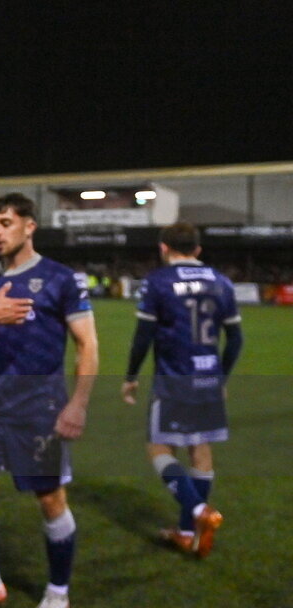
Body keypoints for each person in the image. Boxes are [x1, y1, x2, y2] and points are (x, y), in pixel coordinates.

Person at [0, 193, 99, 608]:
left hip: (41, 409)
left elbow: (87, 345)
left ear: (30, 226)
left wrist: (78, 404)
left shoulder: (60, 279)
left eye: (5, 222)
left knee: (50, 498)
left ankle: (58, 593)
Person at [121, 222, 241, 557]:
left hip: (174, 379)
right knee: (200, 451)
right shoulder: (222, 282)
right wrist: (221, 378)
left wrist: (131, 375)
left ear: (163, 248)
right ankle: (189, 533)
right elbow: (235, 340)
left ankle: (199, 512)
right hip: (207, 380)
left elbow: (143, 336)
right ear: (198, 249)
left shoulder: (159, 282)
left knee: (158, 448)